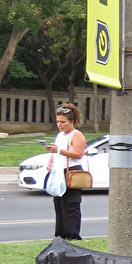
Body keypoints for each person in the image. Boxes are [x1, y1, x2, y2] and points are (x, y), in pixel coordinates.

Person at [47, 102, 87, 240]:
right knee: (59, 203)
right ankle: (60, 234)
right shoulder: (60, 135)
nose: (60, 125)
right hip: (59, 171)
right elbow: (57, 152)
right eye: (58, 122)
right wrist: (51, 160)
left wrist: (58, 150)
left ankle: (72, 234)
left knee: (70, 205)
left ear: (72, 121)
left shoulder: (76, 135)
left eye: (63, 122)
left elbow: (78, 153)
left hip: (72, 171)